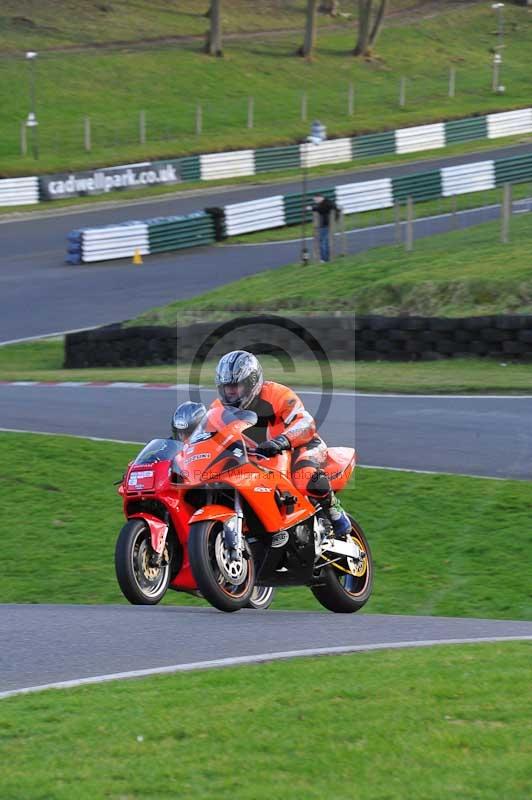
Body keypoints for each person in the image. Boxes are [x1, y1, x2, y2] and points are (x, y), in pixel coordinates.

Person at [214, 350, 351, 537]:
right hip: (256, 458)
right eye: (225, 387)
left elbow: (305, 422)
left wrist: (282, 440)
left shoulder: (277, 394)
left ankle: (334, 512)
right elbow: (207, 432)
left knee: (306, 476)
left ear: (251, 382)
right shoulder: (218, 407)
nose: (230, 392)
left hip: (299, 447)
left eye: (235, 386)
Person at [312, 194, 339, 263]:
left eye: (316, 199)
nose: (315, 201)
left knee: (322, 241)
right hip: (325, 224)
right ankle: (327, 258)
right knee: (325, 241)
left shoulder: (326, 203)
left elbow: (321, 209)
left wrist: (312, 208)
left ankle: (324, 259)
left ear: (320, 198)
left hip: (326, 225)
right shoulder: (325, 203)